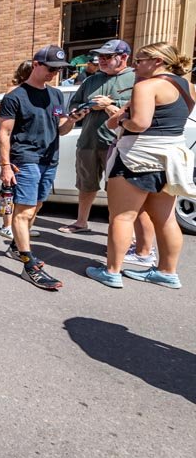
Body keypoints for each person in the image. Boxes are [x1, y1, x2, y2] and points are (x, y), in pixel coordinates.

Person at [86, 42, 196, 290]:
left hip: (138, 155)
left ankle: (111, 271)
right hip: (170, 157)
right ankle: (167, 272)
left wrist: (123, 118)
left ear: (157, 61)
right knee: (166, 219)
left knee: (122, 217)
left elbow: (140, 123)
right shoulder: (187, 85)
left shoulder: (147, 86)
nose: (135, 64)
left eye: (140, 59)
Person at [0, 45, 75, 291]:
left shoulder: (56, 94)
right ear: (36, 64)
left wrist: (72, 119)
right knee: (24, 210)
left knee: (36, 206)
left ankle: (16, 246)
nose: (54, 73)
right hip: (25, 159)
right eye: (51, 68)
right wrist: (6, 166)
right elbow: (4, 133)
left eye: (59, 69)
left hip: (49, 159)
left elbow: (61, 129)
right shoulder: (15, 96)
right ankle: (28, 264)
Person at [59, 39, 136, 235]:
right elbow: (74, 104)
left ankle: (117, 233)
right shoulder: (91, 80)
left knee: (117, 191)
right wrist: (77, 112)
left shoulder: (135, 79)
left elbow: (140, 112)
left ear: (124, 57)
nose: (101, 60)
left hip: (119, 144)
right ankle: (81, 222)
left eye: (107, 56)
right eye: (100, 56)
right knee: (86, 184)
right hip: (88, 142)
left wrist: (110, 104)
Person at [0, 61, 34, 239]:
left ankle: (20, 226)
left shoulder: (38, 92)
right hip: (13, 147)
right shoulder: (14, 91)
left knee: (23, 193)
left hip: (27, 147)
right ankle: (7, 225)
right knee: (9, 189)